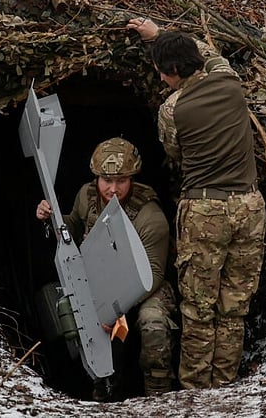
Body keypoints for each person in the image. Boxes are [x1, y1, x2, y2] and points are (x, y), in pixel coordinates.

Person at [125, 17, 266, 390]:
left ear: (173, 70)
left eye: (161, 72)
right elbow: (211, 53)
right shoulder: (230, 81)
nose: (160, 79)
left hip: (205, 210)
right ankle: (224, 384)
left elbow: (174, 153)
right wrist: (161, 36)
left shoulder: (172, 110)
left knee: (199, 309)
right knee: (235, 306)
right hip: (250, 207)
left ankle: (195, 392)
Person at [36, 137, 176, 400]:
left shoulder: (150, 216)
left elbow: (154, 276)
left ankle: (159, 396)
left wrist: (112, 309)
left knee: (153, 322)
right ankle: (105, 390)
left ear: (132, 179)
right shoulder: (87, 196)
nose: (113, 189)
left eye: (121, 181)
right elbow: (73, 226)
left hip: (145, 287)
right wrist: (51, 217)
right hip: (102, 279)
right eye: (106, 181)